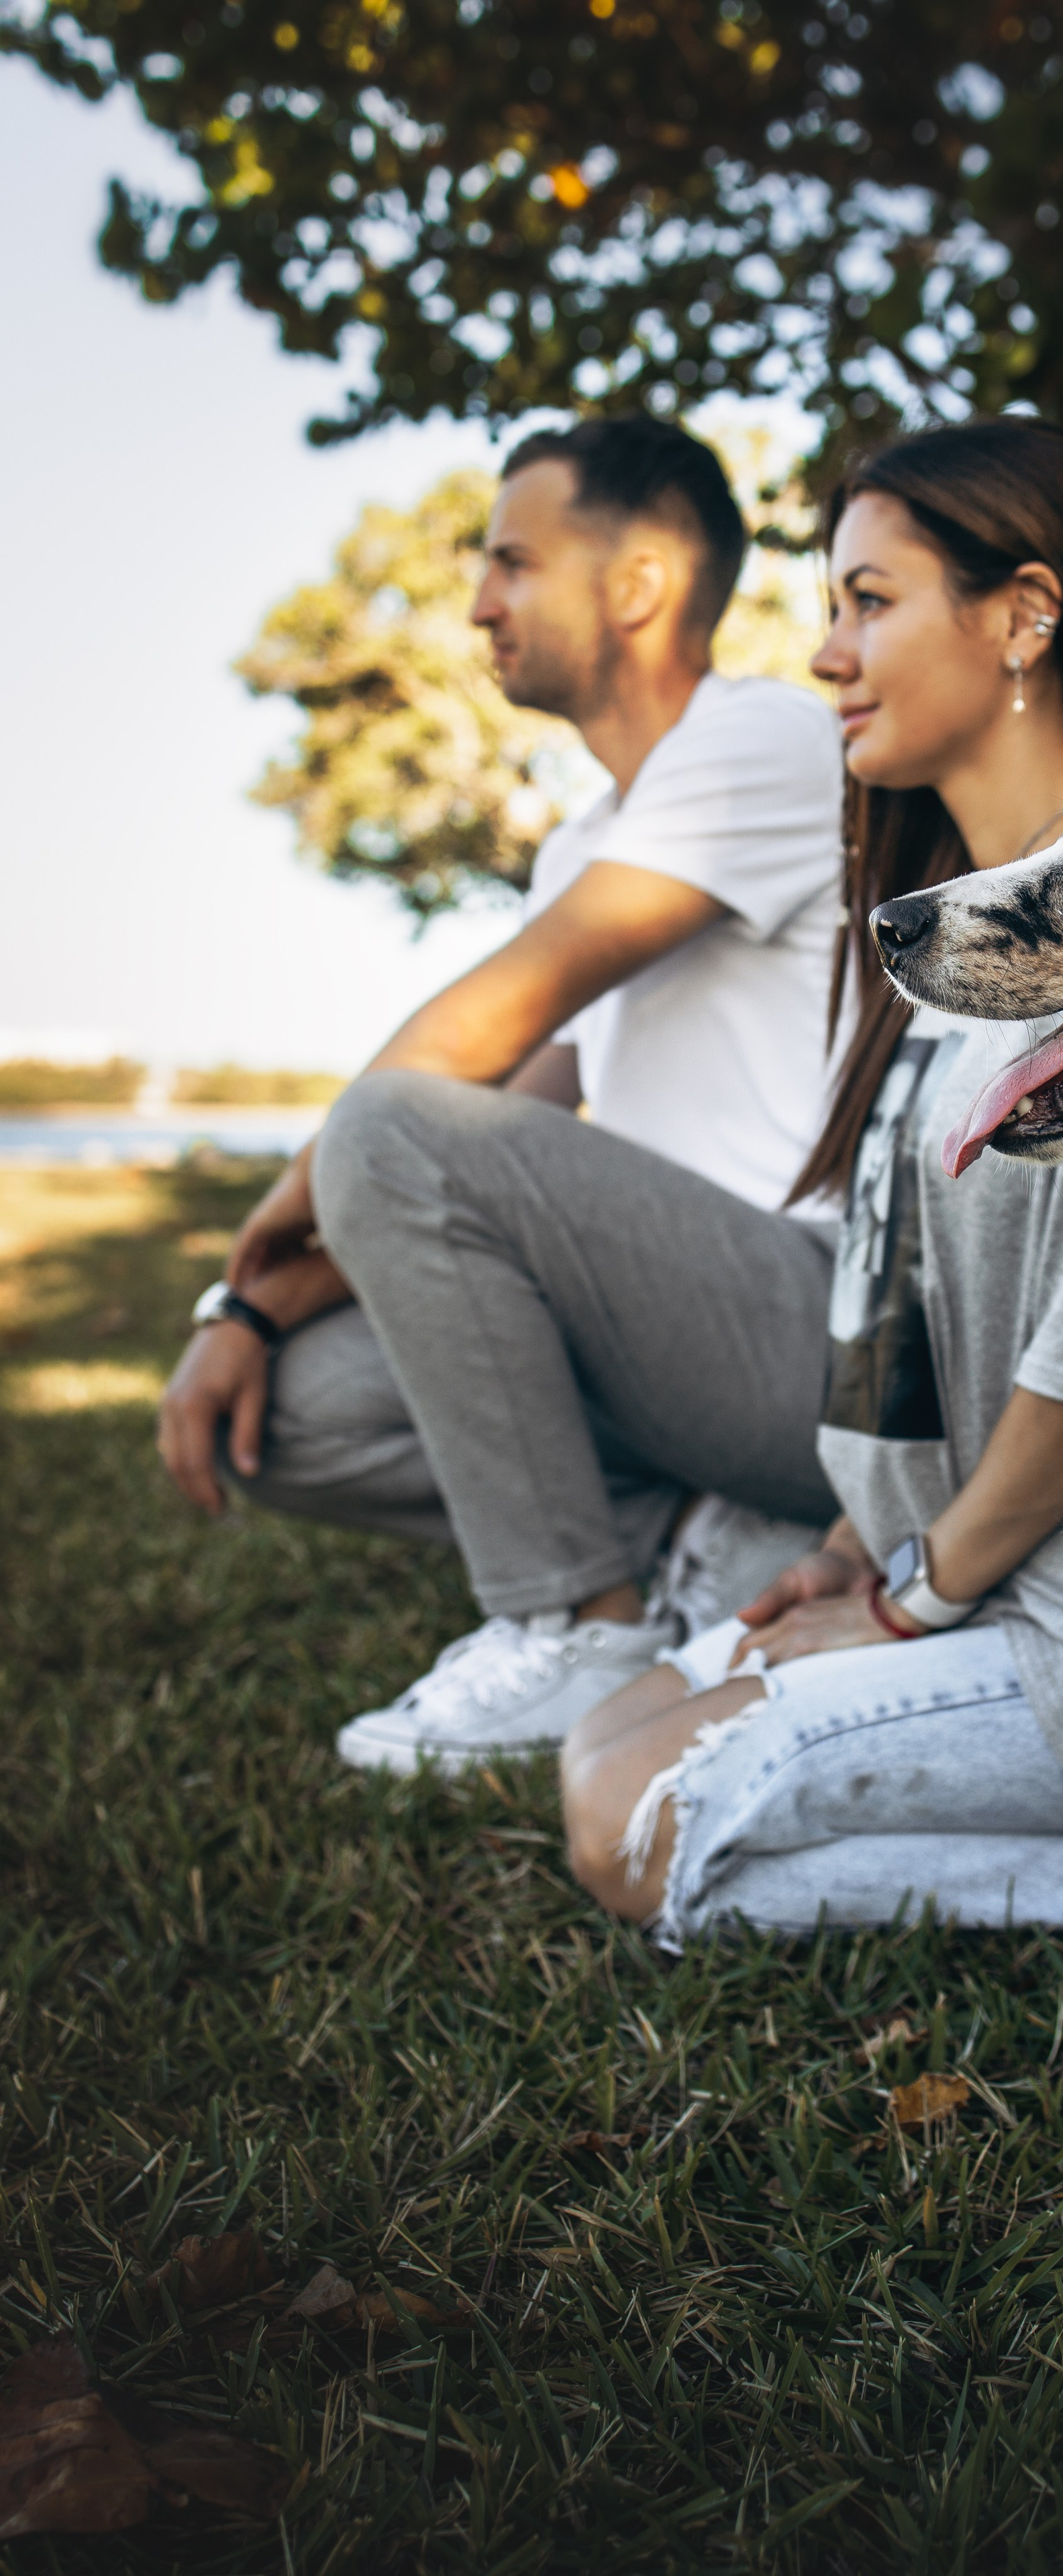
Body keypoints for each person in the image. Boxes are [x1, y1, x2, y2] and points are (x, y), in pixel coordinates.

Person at [560, 418, 1063, 1941]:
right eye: (830, 609)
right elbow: (928, 1328)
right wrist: (837, 1561)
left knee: (642, 1833)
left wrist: (897, 1606)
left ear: (1022, 614)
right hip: (955, 1585)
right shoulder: (927, 955)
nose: (828, 655)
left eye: (867, 601)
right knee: (595, 1754)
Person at [157, 413, 847, 1766]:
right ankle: (707, 1548)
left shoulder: (761, 739)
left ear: (638, 583)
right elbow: (510, 1117)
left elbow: (485, 1031)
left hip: (815, 1333)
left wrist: (283, 1217)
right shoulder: (593, 839)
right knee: (287, 1416)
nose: (478, 603)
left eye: (512, 563)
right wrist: (244, 1309)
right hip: (671, 1344)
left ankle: (575, 1626)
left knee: (386, 1118)